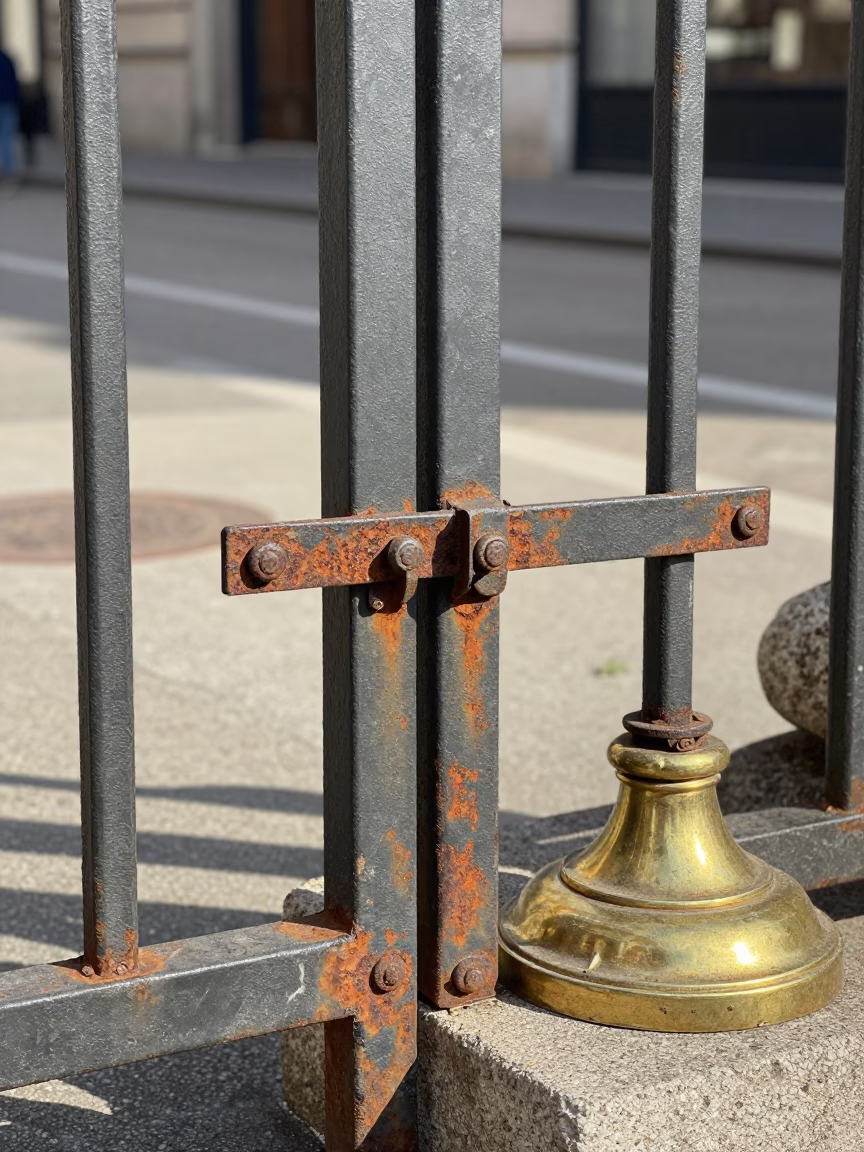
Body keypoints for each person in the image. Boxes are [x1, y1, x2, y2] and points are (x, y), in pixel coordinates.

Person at [0, 46, 20, 182]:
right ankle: (8, 170)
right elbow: (14, 84)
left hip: (6, 102)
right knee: (6, 138)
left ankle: (7, 170)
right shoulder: (7, 59)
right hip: (8, 102)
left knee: (5, 138)